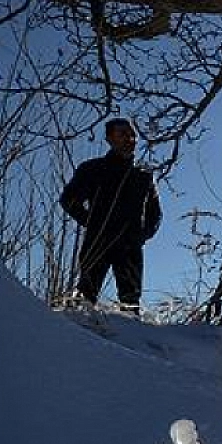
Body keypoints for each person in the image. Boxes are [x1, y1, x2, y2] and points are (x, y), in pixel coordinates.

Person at [60, 118, 162, 312]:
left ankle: (129, 340)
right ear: (109, 138)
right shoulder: (93, 169)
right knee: (85, 297)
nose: (129, 139)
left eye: (132, 134)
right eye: (122, 134)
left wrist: (140, 235)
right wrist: (92, 222)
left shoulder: (143, 176)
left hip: (130, 246)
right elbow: (69, 200)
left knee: (130, 301)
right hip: (98, 240)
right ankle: (75, 335)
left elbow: (155, 214)